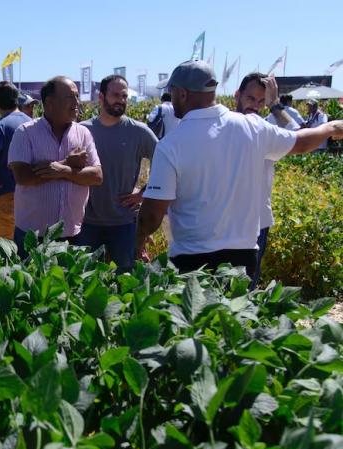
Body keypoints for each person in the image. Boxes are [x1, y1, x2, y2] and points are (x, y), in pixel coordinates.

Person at [136, 60, 343, 279]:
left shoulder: (171, 145)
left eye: (172, 91)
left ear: (183, 94)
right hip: (243, 259)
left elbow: (151, 214)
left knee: (194, 311)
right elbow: (301, 142)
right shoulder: (253, 127)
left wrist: (138, 243)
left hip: (191, 261)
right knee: (239, 312)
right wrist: (329, 128)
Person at [8, 76, 103, 256]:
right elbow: (23, 177)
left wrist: (64, 170)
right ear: (50, 102)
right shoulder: (26, 132)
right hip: (32, 237)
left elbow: (97, 176)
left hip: (73, 234)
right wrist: (67, 163)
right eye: (70, 97)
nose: (76, 102)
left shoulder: (83, 134)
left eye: (76, 96)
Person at [74, 75, 158, 272]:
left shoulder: (139, 132)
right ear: (101, 97)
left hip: (123, 223)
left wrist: (143, 192)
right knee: (83, 280)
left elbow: (165, 162)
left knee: (125, 279)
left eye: (124, 96)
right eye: (115, 95)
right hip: (86, 222)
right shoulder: (82, 130)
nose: (121, 100)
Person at [234, 72, 299, 288]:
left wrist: (275, 105)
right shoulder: (222, 126)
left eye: (261, 101)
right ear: (237, 96)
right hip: (224, 220)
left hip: (257, 222)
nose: (255, 105)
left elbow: (297, 134)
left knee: (247, 287)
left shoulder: (266, 130)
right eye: (250, 98)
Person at [0, 81, 31, 240]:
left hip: (6, 195)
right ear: (17, 99)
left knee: (5, 249)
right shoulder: (32, 123)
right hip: (31, 194)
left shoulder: (0, 126)